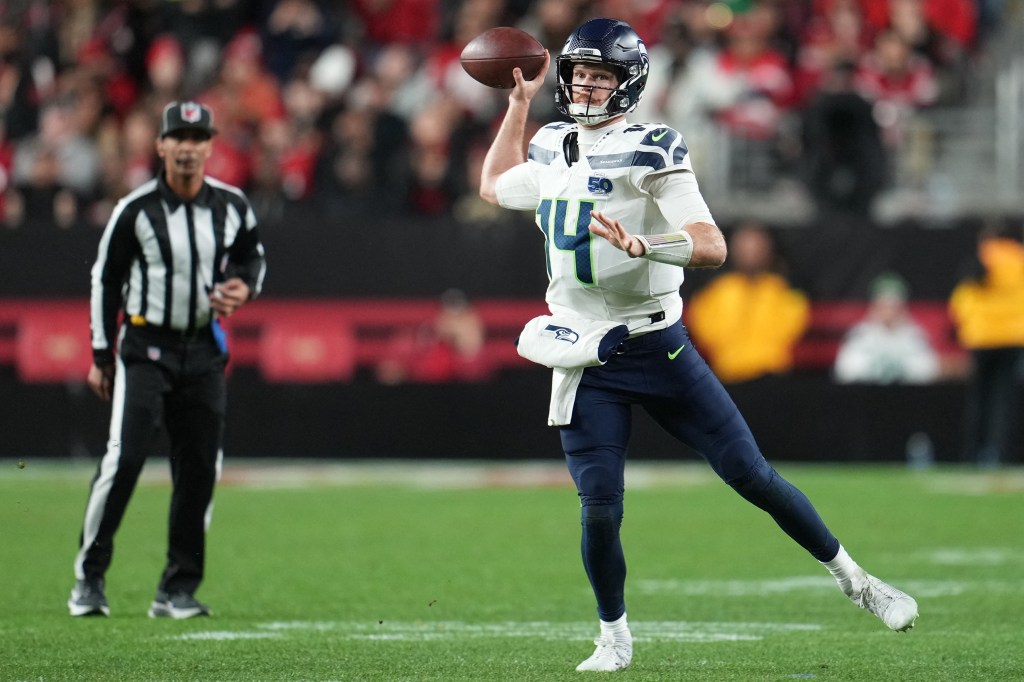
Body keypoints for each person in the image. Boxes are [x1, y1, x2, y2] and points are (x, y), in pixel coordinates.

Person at [478, 18, 918, 673]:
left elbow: (711, 245)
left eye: (601, 77)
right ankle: (613, 637)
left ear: (627, 85)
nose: (586, 88)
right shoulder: (549, 144)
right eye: (579, 76)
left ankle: (857, 580)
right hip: (586, 355)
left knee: (751, 475)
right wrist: (516, 105)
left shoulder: (653, 147)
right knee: (599, 507)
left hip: (658, 344)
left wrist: (644, 245)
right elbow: (492, 185)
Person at [67, 101, 266, 619]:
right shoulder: (133, 210)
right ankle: (89, 577)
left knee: (200, 467)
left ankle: (177, 588)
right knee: (124, 459)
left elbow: (253, 257)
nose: (187, 147)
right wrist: (99, 353)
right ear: (159, 146)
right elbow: (105, 280)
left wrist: (243, 287)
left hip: (202, 347)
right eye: (178, 136)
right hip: (144, 348)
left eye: (198, 138)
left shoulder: (231, 205)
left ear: (210, 146)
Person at [686, 222, 810, 383]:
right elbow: (704, 329)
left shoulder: (782, 290)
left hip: (772, 377)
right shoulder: (716, 291)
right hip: (728, 376)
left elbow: (793, 326)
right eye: (744, 247)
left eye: (756, 247)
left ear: (768, 250)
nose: (750, 252)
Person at [949, 225, 1024, 466]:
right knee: (1004, 401)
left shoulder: (982, 256)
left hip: (982, 338)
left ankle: (973, 454)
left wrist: (968, 325)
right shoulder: (1019, 259)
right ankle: (1002, 454)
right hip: (1013, 338)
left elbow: (961, 298)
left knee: (978, 399)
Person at [834, 272, 940, 384]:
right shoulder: (859, 335)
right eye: (884, 305)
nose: (889, 311)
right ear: (875, 305)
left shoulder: (915, 337)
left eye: (893, 305)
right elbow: (846, 371)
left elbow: (927, 372)